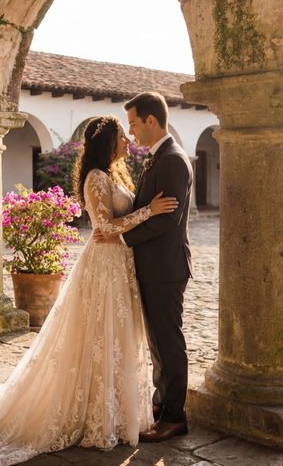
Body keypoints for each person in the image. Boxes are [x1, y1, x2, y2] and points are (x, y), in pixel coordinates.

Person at [0, 115, 177, 466]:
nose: (128, 141)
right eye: (122, 137)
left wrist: (142, 212)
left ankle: (115, 409)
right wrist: (149, 212)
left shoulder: (113, 174)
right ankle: (93, 413)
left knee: (115, 337)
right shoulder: (95, 178)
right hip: (103, 266)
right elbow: (106, 228)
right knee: (97, 336)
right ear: (107, 143)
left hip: (119, 265)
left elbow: (114, 223)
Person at [94, 91, 193, 443]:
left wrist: (121, 240)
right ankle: (161, 405)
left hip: (166, 268)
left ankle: (175, 416)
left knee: (169, 343)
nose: (131, 132)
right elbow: (150, 211)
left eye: (134, 124)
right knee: (156, 343)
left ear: (151, 120)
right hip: (152, 266)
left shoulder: (173, 160)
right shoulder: (156, 158)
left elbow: (168, 222)